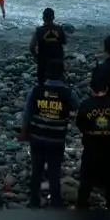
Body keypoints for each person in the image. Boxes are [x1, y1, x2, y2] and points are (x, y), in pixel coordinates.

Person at [17, 61, 80, 209]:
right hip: (56, 139)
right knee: (54, 172)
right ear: (62, 74)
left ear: (46, 74)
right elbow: (77, 106)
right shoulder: (68, 93)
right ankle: (56, 203)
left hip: (37, 138)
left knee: (36, 171)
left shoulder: (36, 90)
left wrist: (23, 132)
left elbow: (27, 114)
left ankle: (34, 201)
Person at [75, 72, 110, 210]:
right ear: (106, 88)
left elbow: (80, 124)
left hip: (91, 151)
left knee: (86, 183)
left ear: (91, 89)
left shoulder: (86, 105)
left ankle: (82, 207)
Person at [29, 7, 67, 84]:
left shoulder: (39, 30)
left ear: (43, 18)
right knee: (59, 80)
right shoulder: (59, 29)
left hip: (43, 61)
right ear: (53, 18)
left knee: (42, 83)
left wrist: (35, 55)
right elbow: (64, 42)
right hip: (58, 61)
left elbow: (31, 46)